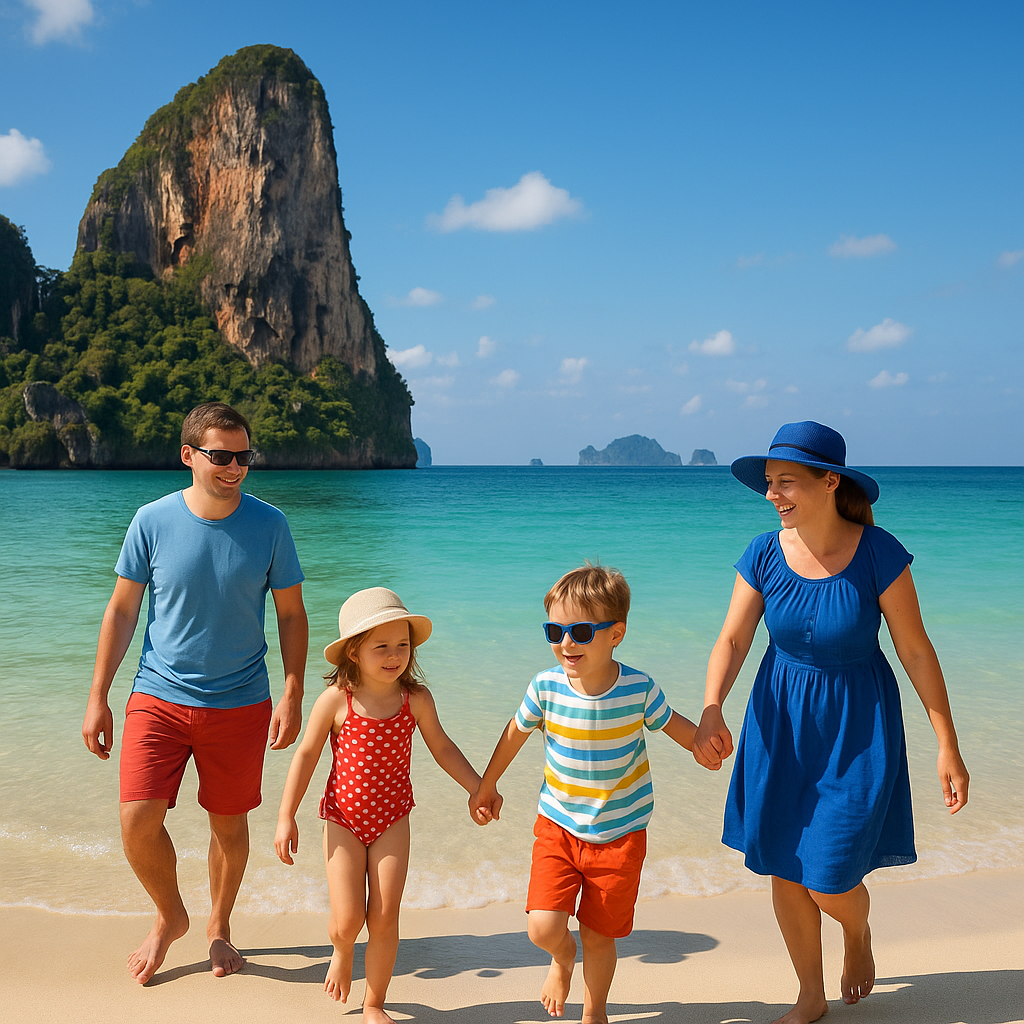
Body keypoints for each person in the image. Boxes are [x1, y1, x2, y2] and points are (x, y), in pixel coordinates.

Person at [692, 420, 969, 1024]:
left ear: (829, 481)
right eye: (769, 484)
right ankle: (810, 996)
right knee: (784, 864)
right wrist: (711, 706)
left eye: (786, 482)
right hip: (778, 721)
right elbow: (734, 638)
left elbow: (916, 651)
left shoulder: (880, 553)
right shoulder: (763, 553)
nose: (774, 496)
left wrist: (946, 743)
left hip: (857, 724)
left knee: (830, 875)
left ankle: (858, 932)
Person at [81, 402, 309, 985]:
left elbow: (290, 614)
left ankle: (218, 927)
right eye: (221, 456)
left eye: (243, 456)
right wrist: (98, 695)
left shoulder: (270, 525)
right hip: (157, 694)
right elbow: (123, 608)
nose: (235, 467)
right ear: (189, 455)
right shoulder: (151, 521)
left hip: (240, 701)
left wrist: (291, 691)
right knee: (136, 820)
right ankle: (169, 915)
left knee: (228, 827)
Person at [469, 565, 697, 1024]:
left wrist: (706, 746)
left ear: (616, 634)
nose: (565, 643)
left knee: (599, 935)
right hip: (558, 824)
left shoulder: (638, 688)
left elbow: (678, 728)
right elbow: (515, 733)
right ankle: (560, 957)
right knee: (543, 927)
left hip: (621, 833)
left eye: (580, 631)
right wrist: (487, 784)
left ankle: (595, 1013)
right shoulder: (546, 686)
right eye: (555, 630)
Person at [275, 587, 482, 1022]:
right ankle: (341, 948)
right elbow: (307, 754)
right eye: (381, 646)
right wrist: (285, 815)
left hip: (392, 818)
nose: (394, 656)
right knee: (349, 919)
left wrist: (477, 787)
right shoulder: (337, 701)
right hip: (343, 819)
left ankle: (374, 1003)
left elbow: (442, 748)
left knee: (385, 917)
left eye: (402, 645)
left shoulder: (416, 700)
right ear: (354, 651)